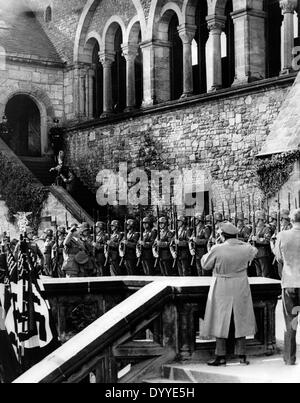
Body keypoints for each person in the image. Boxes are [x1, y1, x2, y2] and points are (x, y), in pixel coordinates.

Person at [201, 222, 257, 366]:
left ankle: (220, 355)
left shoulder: (217, 249)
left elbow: (205, 265)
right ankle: (242, 354)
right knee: (241, 318)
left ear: (222, 235)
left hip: (222, 285)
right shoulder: (246, 248)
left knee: (220, 319)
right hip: (240, 284)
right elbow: (254, 252)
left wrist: (210, 249)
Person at [273, 209, 300, 365]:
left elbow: (278, 256)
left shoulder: (283, 235)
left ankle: (289, 358)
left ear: (291, 220)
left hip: (290, 282)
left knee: (291, 321)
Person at [250, 210, 272, 278]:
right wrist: (251, 240)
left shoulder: (266, 229)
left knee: (265, 274)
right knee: (258, 274)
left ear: (259, 219)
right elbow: (249, 240)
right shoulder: (255, 229)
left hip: (263, 253)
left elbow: (267, 240)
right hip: (255, 254)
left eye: (255, 218)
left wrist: (258, 239)